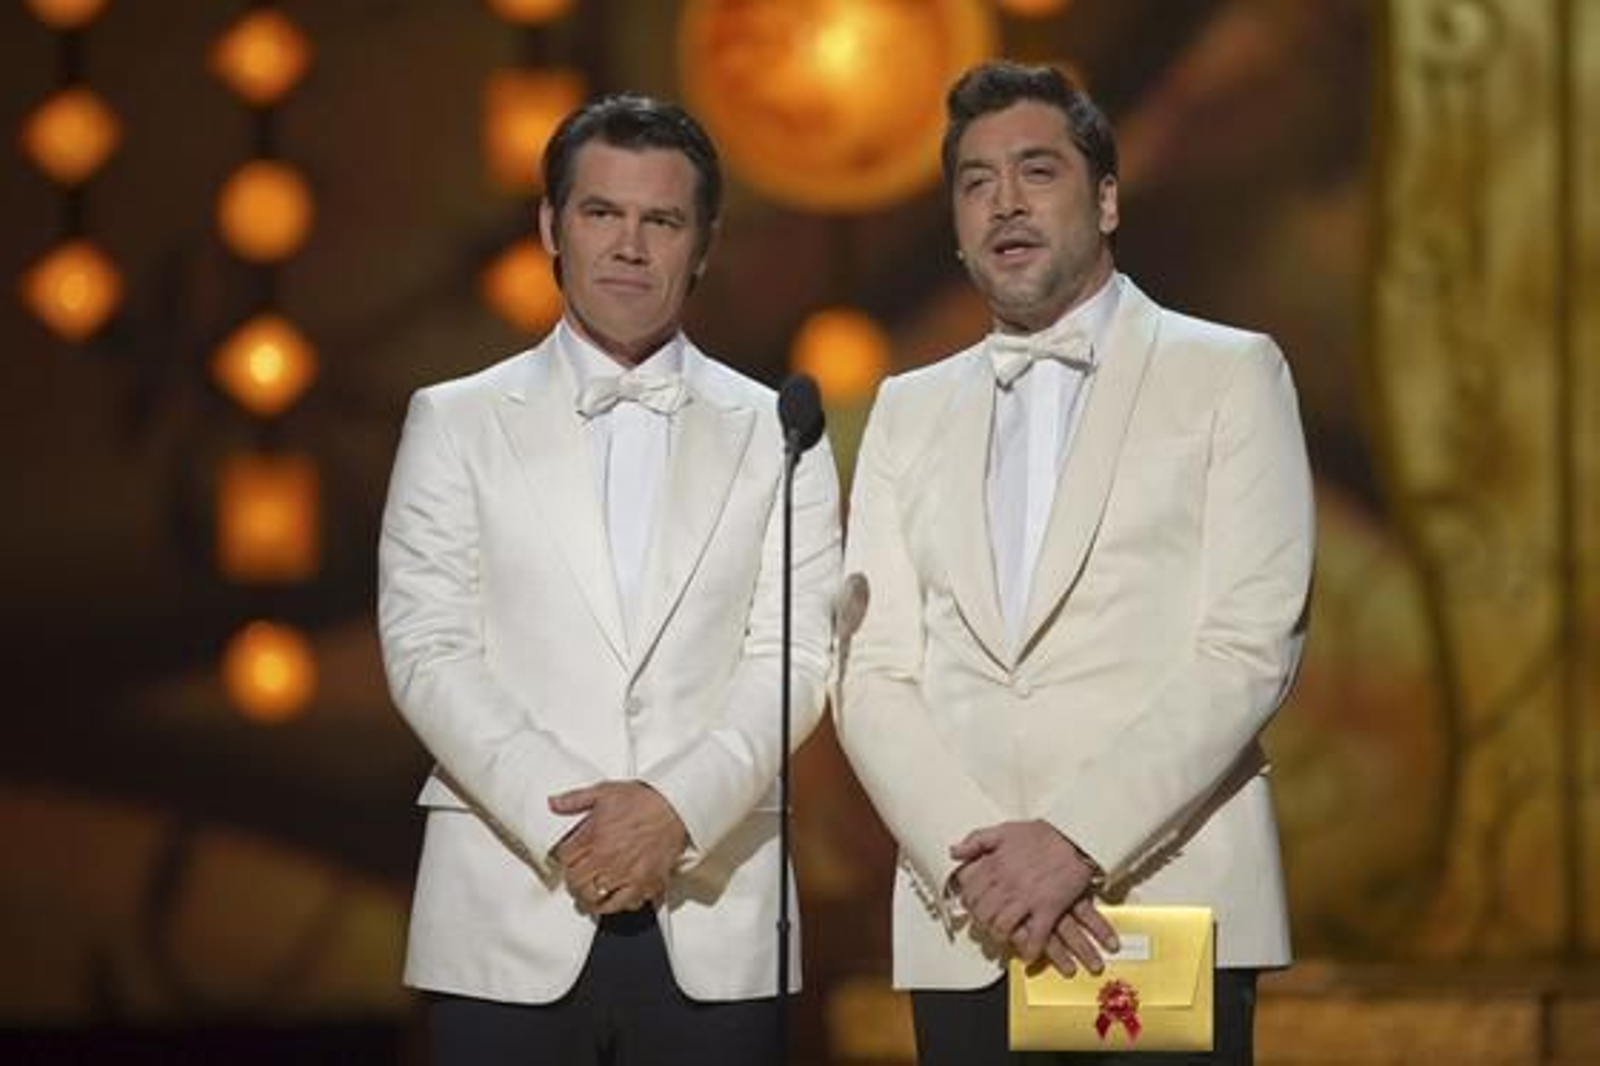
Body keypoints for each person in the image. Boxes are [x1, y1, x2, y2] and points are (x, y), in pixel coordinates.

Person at [835, 61, 1314, 1065]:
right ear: (955, 226)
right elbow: (871, 672)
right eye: (974, 181)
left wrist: (1073, 841)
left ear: (1104, 199)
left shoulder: (1229, 372)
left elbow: (1247, 644)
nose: (1003, 201)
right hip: (966, 918)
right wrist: (980, 867)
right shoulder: (904, 410)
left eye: (1036, 171)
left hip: (1158, 900)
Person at [378, 92, 841, 1065]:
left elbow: (796, 654)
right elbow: (427, 648)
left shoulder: (782, 429)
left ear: (701, 243)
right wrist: (580, 828)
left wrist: (674, 810)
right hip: (509, 906)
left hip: (716, 908)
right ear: (552, 226)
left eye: (661, 220)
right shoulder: (454, 419)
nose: (629, 245)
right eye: (601, 213)